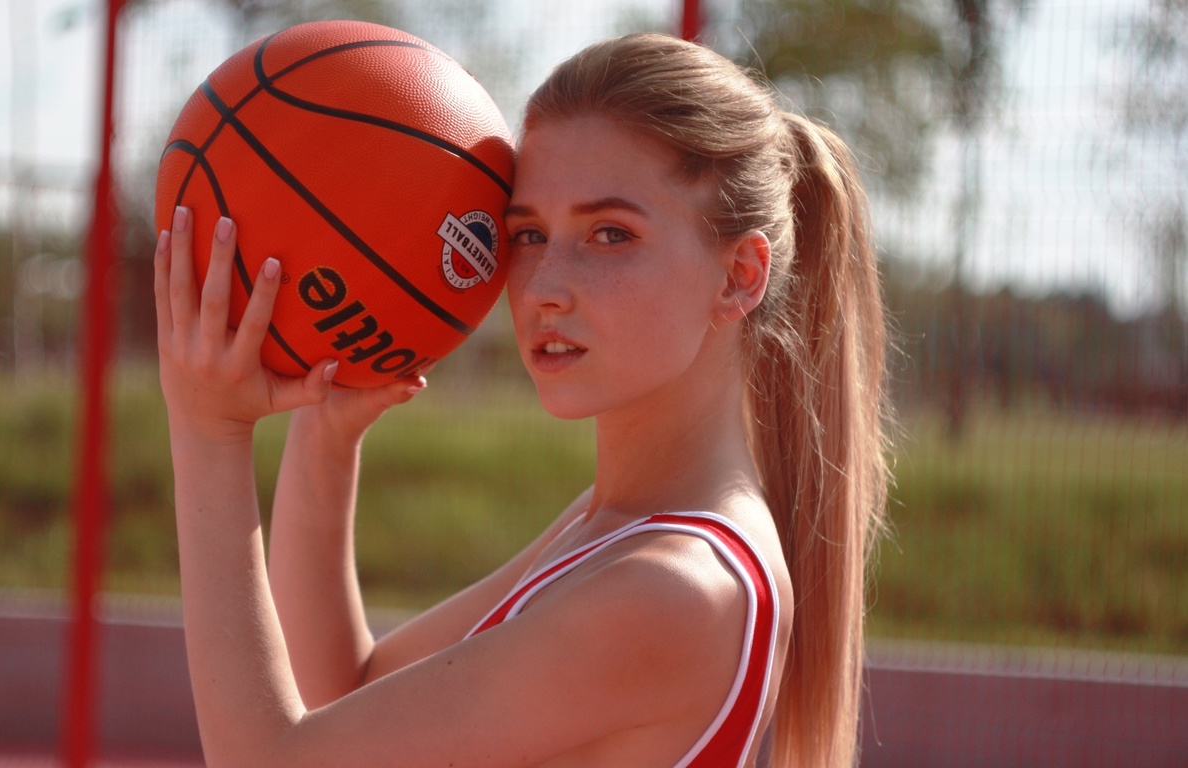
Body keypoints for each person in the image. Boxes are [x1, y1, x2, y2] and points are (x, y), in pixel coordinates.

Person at [154, 32, 890, 768]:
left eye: (610, 234)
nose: (541, 286)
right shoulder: (617, 527)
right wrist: (327, 435)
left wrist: (207, 433)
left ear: (739, 275)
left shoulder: (673, 587)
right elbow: (346, 694)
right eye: (527, 234)